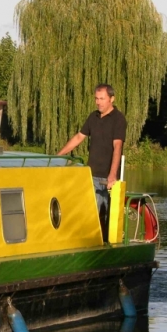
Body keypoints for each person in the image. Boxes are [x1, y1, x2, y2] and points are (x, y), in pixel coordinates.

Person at [58, 83, 127, 235]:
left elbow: (117, 147)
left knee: (111, 218)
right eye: (96, 98)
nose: (98, 102)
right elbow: (78, 138)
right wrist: (57, 156)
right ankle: (93, 244)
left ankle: (112, 247)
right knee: (92, 216)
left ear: (112, 99)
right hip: (92, 174)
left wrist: (112, 174)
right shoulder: (93, 117)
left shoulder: (118, 119)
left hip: (110, 178)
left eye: (102, 98)